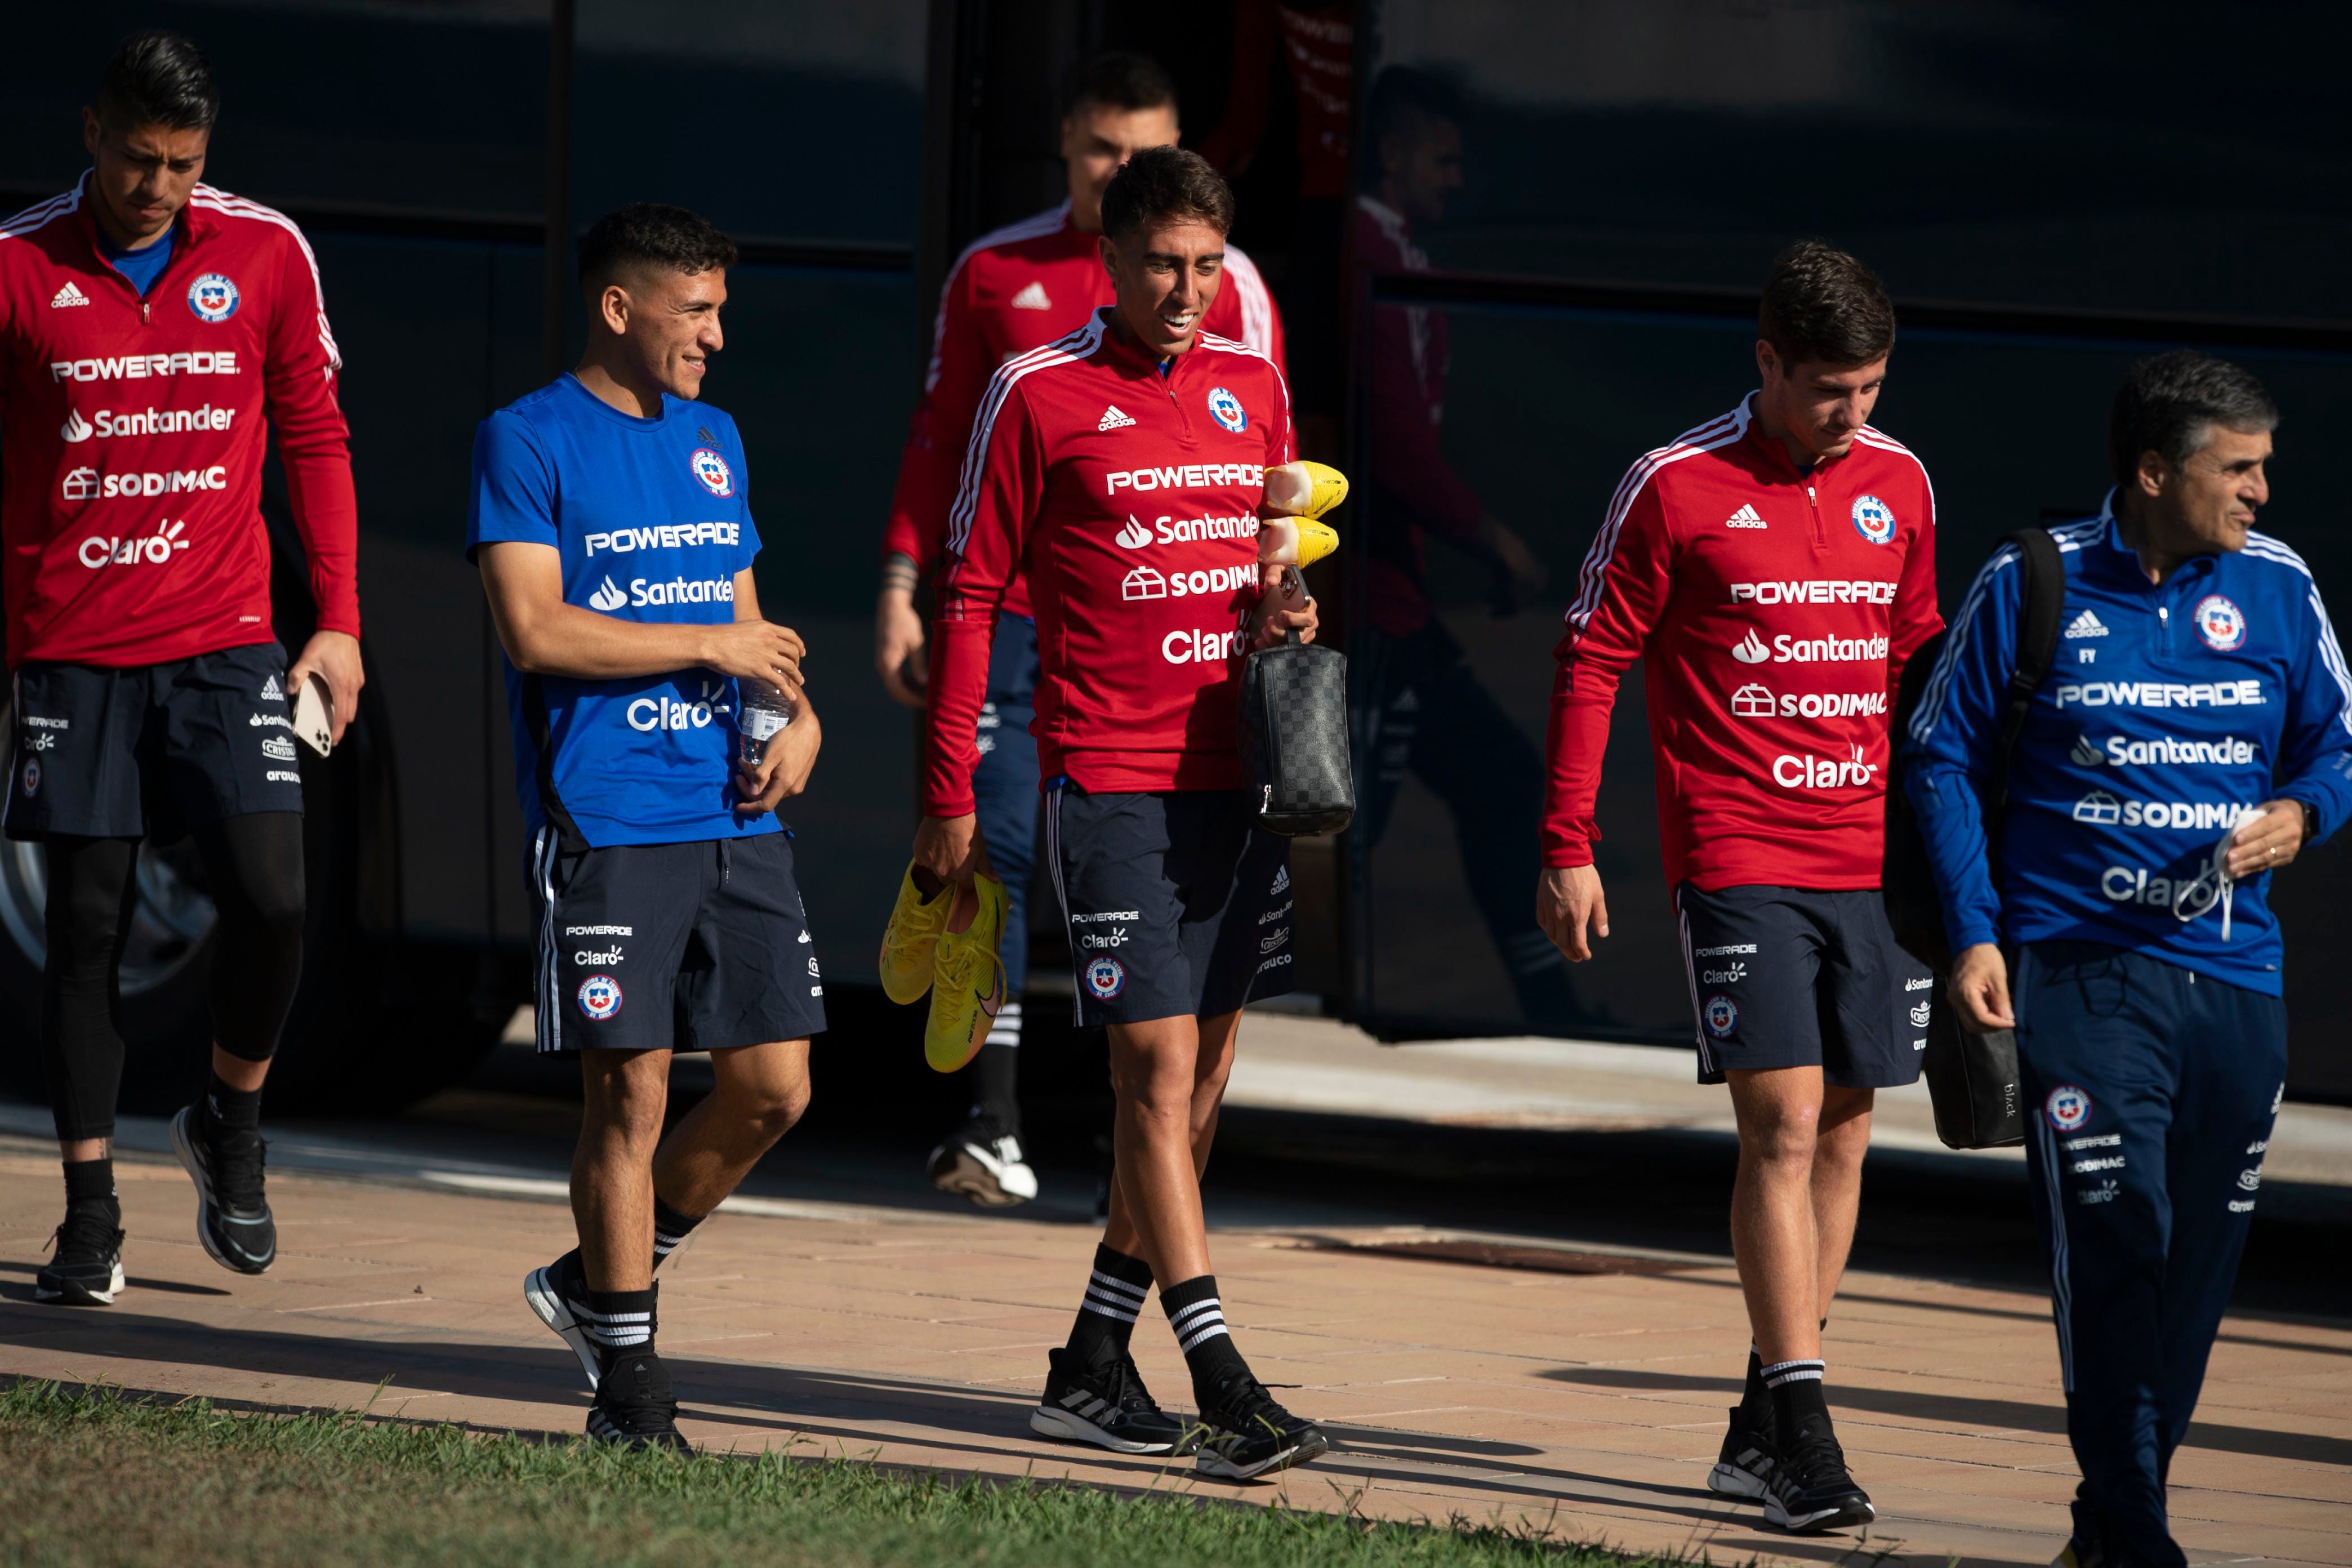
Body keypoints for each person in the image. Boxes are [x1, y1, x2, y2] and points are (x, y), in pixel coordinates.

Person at [913, 146, 1325, 1480]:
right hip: (1106, 781)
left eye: (1208, 266)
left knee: (1200, 1087)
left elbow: (1263, 575)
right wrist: (952, 791)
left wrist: (1285, 616)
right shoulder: (1035, 394)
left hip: (1234, 782)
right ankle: (1222, 1378)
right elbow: (971, 595)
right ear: (1112, 256)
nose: (1187, 290)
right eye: (1162, 263)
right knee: (1150, 1079)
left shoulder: (1254, 388)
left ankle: (1091, 1364)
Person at [1905, 353, 2350, 1568]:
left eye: (2266, 468)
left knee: (2198, 1259)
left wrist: (2304, 815)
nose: (2262, 491)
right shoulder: (2033, 578)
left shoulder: (2277, 589)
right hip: (2080, 974)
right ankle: (2136, 1519)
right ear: (2156, 472)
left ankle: (2116, 1514)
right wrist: (1975, 934)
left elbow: (2336, 748)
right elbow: (1940, 758)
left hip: (2235, 982)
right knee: (2116, 1228)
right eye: (2239, 468)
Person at [1535, 242, 1942, 1534]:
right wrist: (1568, 840)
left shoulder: (1902, 481)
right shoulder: (1674, 484)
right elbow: (1594, 655)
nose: (1855, 414)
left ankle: (1760, 1421)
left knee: (1847, 1128)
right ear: (1766, 364)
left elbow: (1919, 661)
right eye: (1830, 389)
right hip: (1737, 850)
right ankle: (1809, 1433)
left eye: (1871, 387)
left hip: (1868, 860)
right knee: (1779, 1121)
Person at [875, 52, 1286, 1210]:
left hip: (1175, 656)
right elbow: (938, 437)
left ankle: (1131, 1197)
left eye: (1144, 151)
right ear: (1069, 146)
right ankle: (991, 1118)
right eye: (1106, 151)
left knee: (1189, 1020)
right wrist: (902, 584)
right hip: (1011, 607)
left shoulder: (1237, 296)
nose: (1124, 169)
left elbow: (1271, 489)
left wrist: (1282, 597)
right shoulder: (996, 270)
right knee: (998, 844)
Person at [2, 30, 364, 1304]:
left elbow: (316, 433)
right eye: (141, 160)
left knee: (274, 898)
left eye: (186, 164)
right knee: (88, 928)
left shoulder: (264, 250)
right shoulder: (17, 264)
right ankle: (89, 1215)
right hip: (73, 648)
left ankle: (230, 1121)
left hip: (226, 640)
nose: (160, 187)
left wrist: (340, 622)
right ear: (92, 133)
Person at [470, 203, 825, 1453]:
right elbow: (536, 631)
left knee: (776, 1090)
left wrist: (799, 714)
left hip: (730, 807)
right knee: (626, 1097)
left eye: (721, 309)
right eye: (698, 309)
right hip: (609, 814)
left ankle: (590, 1284)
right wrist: (708, 645)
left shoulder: (714, 437)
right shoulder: (525, 438)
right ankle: (628, 1392)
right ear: (621, 308)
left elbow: (747, 618)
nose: (717, 336)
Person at [1352, 67, 1575, 1028]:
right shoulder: (1366, 251)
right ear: (1391, 152)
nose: (1455, 180)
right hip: (1369, 609)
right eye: (1440, 159)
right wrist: (1497, 545)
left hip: (1396, 607)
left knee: (1496, 782)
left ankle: (1550, 1002)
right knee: (1347, 827)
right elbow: (1394, 443)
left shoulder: (1397, 253)